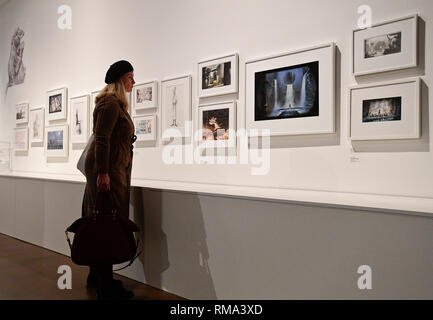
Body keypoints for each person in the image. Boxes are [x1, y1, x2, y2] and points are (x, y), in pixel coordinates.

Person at [82, 60, 136, 300]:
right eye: (130, 77)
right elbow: (102, 138)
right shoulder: (110, 103)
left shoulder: (115, 104)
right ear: (120, 80)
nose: (133, 82)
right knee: (106, 224)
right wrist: (103, 173)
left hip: (113, 171)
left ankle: (97, 276)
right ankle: (106, 285)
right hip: (109, 174)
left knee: (103, 220)